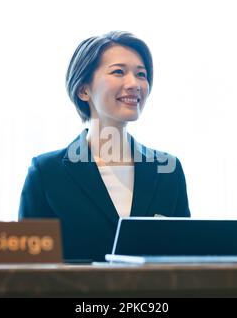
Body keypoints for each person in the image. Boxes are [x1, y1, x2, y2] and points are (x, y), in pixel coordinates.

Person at [18, 31, 190, 262]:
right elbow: (29, 269)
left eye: (141, 74)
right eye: (119, 71)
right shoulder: (46, 173)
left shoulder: (168, 169)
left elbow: (186, 259)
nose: (134, 84)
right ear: (83, 89)